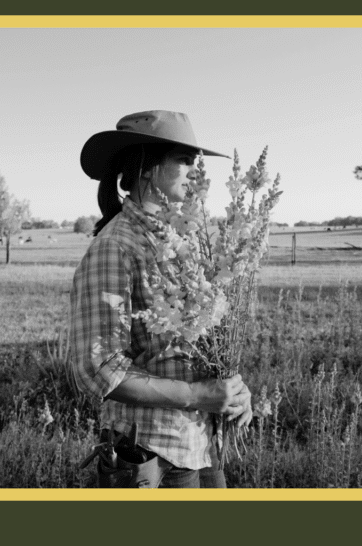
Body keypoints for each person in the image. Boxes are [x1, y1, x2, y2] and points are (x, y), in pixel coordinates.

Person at [70, 111, 253, 488]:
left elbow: (202, 343)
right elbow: (98, 367)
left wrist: (232, 389)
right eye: (184, 160)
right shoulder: (115, 247)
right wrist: (197, 395)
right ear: (149, 168)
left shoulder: (185, 243)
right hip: (153, 455)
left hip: (203, 442)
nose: (195, 171)